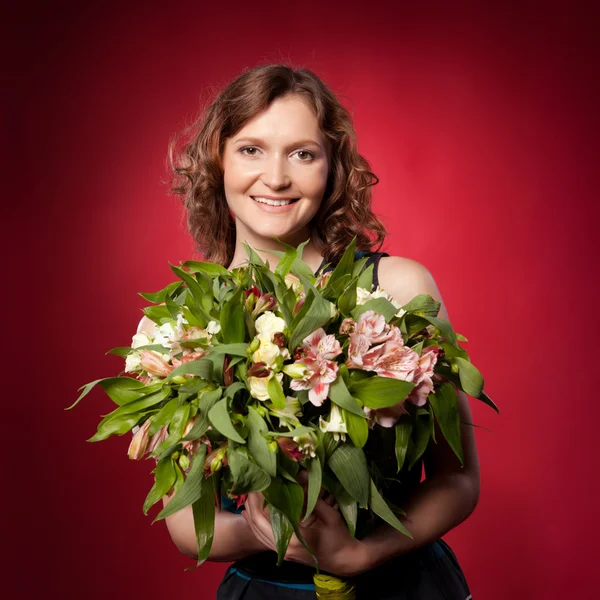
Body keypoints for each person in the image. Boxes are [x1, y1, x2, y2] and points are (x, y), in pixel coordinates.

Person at [156, 64, 479, 599]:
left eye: (303, 153)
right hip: (266, 590)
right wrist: (271, 530)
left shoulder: (395, 289)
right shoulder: (184, 322)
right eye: (251, 149)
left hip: (404, 586)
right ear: (218, 160)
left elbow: (459, 480)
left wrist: (358, 553)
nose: (277, 178)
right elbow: (189, 527)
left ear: (333, 168)